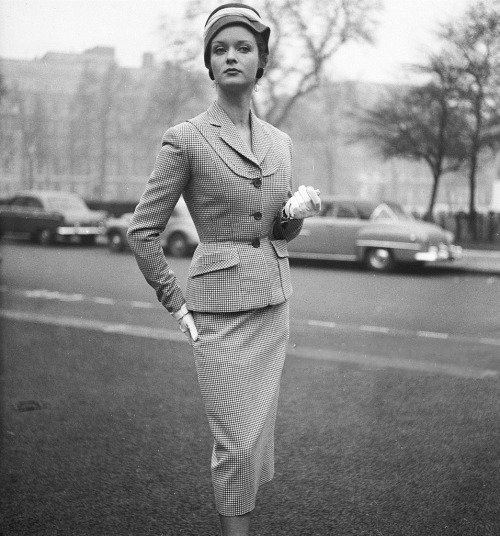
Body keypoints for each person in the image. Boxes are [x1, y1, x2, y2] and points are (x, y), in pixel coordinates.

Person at [127, 4, 321, 535]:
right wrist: (175, 300)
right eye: (220, 49)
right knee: (233, 440)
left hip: (273, 306)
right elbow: (142, 231)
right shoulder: (185, 138)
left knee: (255, 437)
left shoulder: (280, 142)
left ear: (261, 63)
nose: (231, 56)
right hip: (217, 312)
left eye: (243, 47)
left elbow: (276, 231)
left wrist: (294, 215)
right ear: (209, 66)